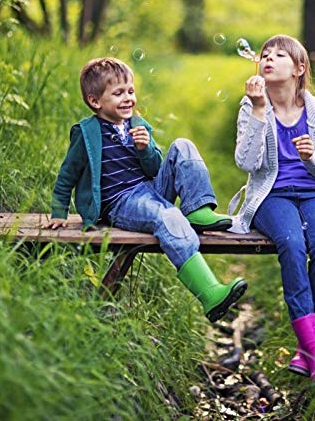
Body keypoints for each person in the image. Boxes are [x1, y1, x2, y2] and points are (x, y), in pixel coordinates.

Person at [44, 57, 247, 323]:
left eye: (130, 91)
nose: (128, 98)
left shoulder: (138, 125)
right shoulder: (87, 133)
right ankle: (210, 295)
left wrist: (145, 149)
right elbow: (67, 173)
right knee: (169, 216)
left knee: (183, 145)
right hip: (120, 202)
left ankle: (198, 210)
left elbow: (154, 169)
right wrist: (58, 211)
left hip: (149, 189)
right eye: (118, 93)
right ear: (96, 101)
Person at [228, 35, 315, 384]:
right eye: (265, 54)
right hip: (271, 196)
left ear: (299, 68)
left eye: (280, 55)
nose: (269, 58)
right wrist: (259, 112)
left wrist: (313, 159)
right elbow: (245, 162)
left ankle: (307, 350)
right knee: (293, 246)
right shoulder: (251, 106)